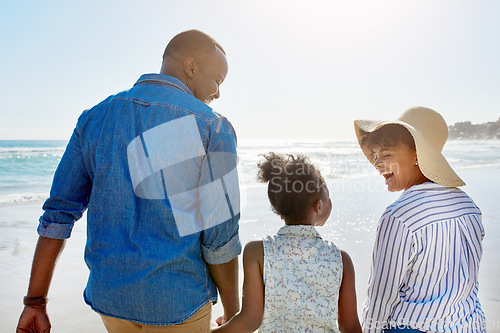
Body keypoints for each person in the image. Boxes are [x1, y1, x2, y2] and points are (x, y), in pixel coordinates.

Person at [17, 29, 241, 333]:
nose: (218, 93)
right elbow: (220, 239)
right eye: (218, 80)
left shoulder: (94, 118)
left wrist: (35, 303)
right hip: (179, 305)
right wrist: (233, 311)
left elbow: (58, 214)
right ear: (191, 66)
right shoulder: (211, 126)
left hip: (110, 302)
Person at [354, 107, 486, 333]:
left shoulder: (398, 216)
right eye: (376, 156)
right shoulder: (469, 207)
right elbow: (467, 283)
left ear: (417, 155)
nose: (376, 164)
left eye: (386, 155)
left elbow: (381, 298)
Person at [212, 153, 362, 333]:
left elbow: (250, 320)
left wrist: (213, 331)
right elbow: (350, 327)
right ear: (319, 206)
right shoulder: (341, 259)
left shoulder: (258, 252)